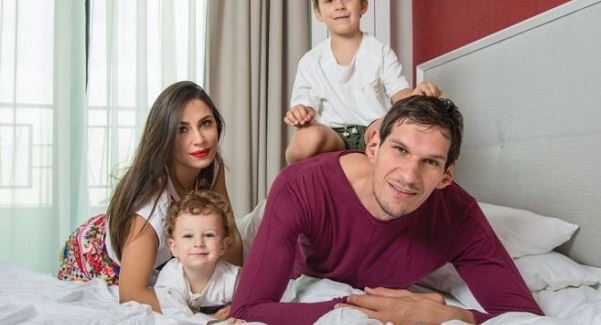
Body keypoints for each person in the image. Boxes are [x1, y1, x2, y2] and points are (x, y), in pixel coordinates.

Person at [232, 95, 543, 325]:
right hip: (279, 232)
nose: (409, 176)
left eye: (430, 162)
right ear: (373, 146)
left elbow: (525, 317)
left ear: (446, 176)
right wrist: (368, 309)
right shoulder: (300, 185)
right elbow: (247, 309)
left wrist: (450, 315)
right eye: (400, 150)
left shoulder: (459, 216)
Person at [58, 81, 243, 313]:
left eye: (205, 123)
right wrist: (203, 315)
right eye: (182, 129)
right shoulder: (151, 204)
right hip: (95, 260)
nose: (200, 139)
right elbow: (131, 293)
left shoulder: (211, 167)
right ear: (164, 136)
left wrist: (235, 298)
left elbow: (229, 234)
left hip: (160, 259)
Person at [284, 0, 440, 163]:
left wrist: (418, 95)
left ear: (363, 5)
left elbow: (400, 96)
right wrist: (301, 113)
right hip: (332, 134)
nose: (339, 5)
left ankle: (377, 158)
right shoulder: (311, 61)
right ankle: (297, 183)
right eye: (329, 0)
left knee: (391, 129)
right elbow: (306, 107)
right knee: (305, 138)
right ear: (318, 12)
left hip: (372, 127)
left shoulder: (380, 52)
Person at [155, 191, 244, 324]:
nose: (198, 243)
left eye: (208, 235)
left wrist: (234, 311)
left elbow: (252, 302)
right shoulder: (170, 278)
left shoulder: (233, 277)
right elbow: (177, 315)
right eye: (188, 236)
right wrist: (212, 320)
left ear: (223, 245)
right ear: (173, 247)